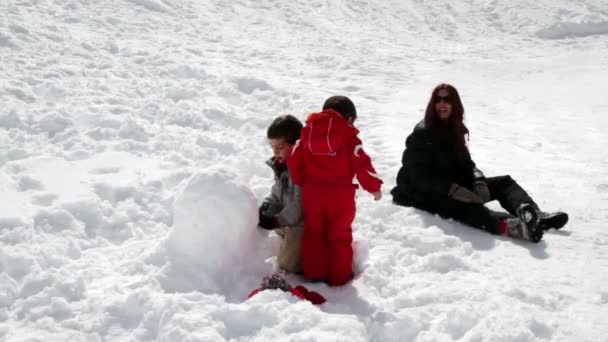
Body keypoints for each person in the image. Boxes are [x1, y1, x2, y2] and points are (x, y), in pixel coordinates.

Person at [390, 84, 568, 243]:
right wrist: (453, 190)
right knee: (466, 207)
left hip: (453, 182)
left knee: (503, 183)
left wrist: (478, 179)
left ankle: (534, 215)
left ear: (455, 105)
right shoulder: (423, 133)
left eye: (447, 100)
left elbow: (467, 163)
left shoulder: (455, 130)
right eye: (438, 100)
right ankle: (514, 227)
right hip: (423, 192)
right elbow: (417, 176)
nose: (442, 104)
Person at [287, 96, 383, 286]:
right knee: (340, 235)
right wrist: (374, 187)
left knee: (314, 233)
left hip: (313, 192)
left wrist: (303, 181)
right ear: (348, 118)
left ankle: (315, 275)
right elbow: (361, 162)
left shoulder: (307, 133)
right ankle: (340, 278)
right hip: (341, 194)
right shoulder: (348, 136)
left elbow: (294, 159)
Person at [258, 115, 304, 273]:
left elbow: (300, 205)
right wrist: (267, 207)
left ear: (295, 145)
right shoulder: (281, 166)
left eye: (280, 147)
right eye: (273, 147)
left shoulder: (301, 168)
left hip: (303, 224)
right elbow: (277, 195)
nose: (275, 152)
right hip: (288, 220)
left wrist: (276, 220)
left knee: (286, 265)